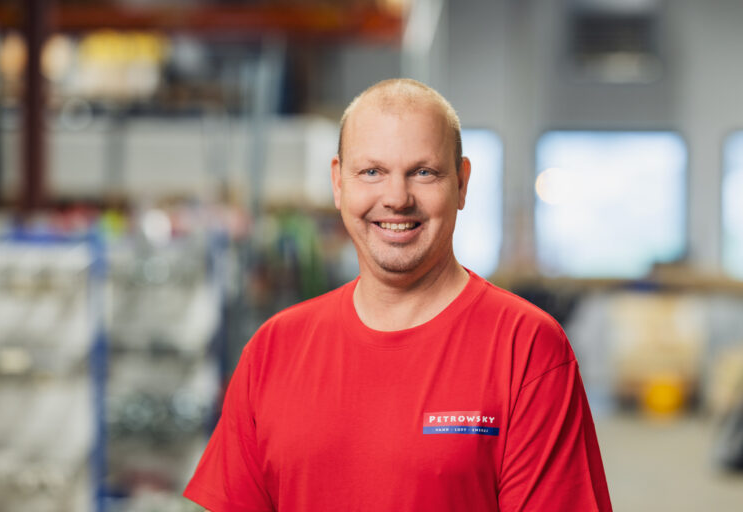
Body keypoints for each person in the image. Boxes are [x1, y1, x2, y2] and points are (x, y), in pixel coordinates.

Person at [184, 78, 612, 511]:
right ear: (338, 183)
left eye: (423, 172)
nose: (396, 198)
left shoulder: (527, 348)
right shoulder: (273, 350)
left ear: (462, 183)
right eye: (372, 172)